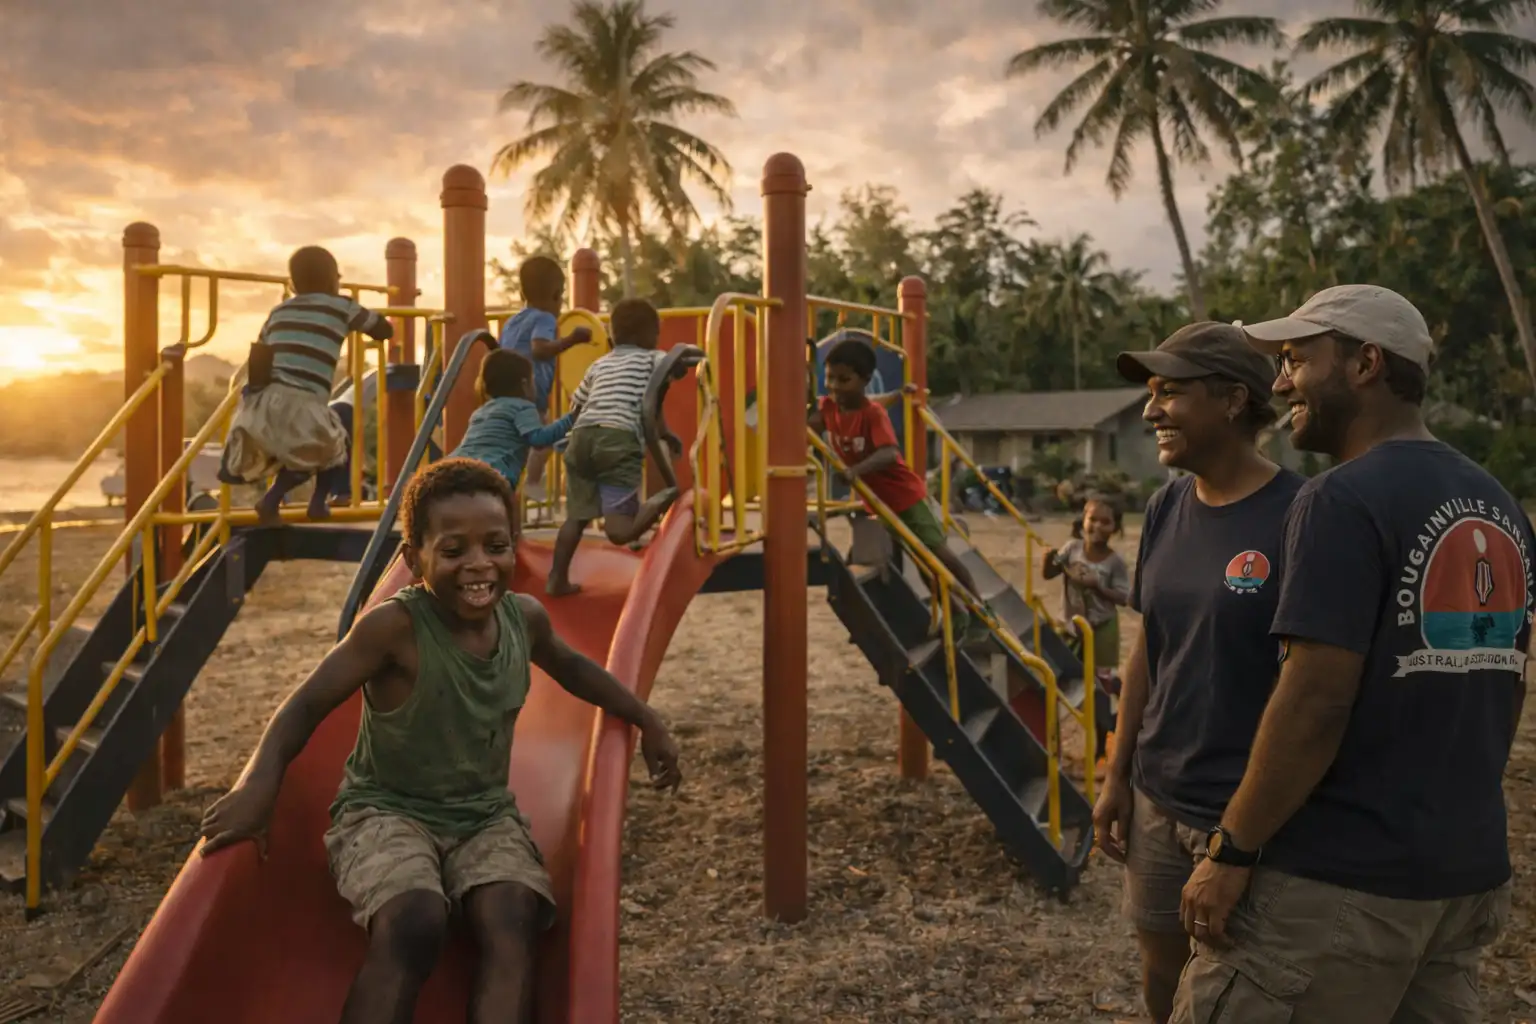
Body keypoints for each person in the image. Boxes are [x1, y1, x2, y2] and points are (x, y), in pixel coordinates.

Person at [198, 457, 683, 1024]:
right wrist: (260, 784)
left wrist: (646, 717)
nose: (478, 565)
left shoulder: (524, 620)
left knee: (514, 915)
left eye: (495, 545)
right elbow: (305, 704)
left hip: (484, 816)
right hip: (385, 813)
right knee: (414, 918)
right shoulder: (393, 629)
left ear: (513, 546)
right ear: (414, 558)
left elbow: (577, 670)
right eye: (453, 551)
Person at [1173, 286, 1531, 1023]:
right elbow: (1500, 681)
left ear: (1366, 363)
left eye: (1298, 359)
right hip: (1460, 875)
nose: (1278, 382)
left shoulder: (1341, 497)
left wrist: (1231, 852)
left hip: (1340, 885)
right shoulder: (1498, 503)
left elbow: (1315, 698)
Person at [1096, 321, 1303, 1024]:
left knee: (1240, 991)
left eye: (1171, 393)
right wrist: (1117, 775)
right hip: (1158, 798)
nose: (1152, 410)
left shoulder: (1303, 514)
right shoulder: (1164, 509)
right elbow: (1150, 648)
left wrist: (1244, 835)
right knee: (1162, 971)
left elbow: (1319, 687)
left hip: (1250, 817)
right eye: (1151, 394)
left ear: (1234, 401)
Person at [813, 336, 992, 643]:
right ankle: (956, 611)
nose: (835, 386)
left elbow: (888, 453)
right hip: (881, 503)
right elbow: (807, 422)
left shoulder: (872, 415)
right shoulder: (828, 408)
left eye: (844, 379)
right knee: (923, 563)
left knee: (938, 554)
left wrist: (855, 470)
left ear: (865, 380)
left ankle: (979, 609)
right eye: (829, 378)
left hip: (907, 497)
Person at [220, 246, 393, 523]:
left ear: (293, 284)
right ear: (332, 280)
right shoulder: (342, 306)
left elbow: (261, 352)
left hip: (262, 399)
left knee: (304, 451)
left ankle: (275, 500)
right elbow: (383, 330)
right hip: (302, 399)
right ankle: (307, 501)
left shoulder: (278, 311)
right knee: (334, 448)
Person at [546, 298, 683, 597]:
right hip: (617, 440)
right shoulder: (652, 359)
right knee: (620, 532)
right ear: (649, 334)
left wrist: (665, 433)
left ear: (612, 336)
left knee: (576, 518)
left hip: (581, 439)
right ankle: (663, 500)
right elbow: (668, 375)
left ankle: (556, 579)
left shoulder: (598, 364)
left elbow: (577, 406)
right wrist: (686, 359)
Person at [498, 256, 594, 492]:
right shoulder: (545, 318)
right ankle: (530, 485)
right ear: (555, 295)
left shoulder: (511, 322)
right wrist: (573, 339)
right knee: (543, 440)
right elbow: (539, 349)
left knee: (514, 447)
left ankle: (514, 486)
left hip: (503, 396)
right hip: (530, 397)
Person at [452, 349, 578, 496]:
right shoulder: (522, 407)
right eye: (533, 380)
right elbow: (538, 439)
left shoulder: (481, 411)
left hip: (459, 465)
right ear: (525, 384)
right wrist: (571, 418)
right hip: (493, 472)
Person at [1042, 495, 1130, 673]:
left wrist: (1097, 585)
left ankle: (1112, 688)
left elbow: (1124, 598)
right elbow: (1049, 574)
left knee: (1101, 677)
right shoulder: (1071, 548)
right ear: (1083, 521)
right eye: (1092, 519)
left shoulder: (1115, 562)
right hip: (1071, 626)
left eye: (1105, 522)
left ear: (1115, 528)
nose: (1097, 526)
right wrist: (1047, 560)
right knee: (1068, 673)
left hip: (1102, 627)